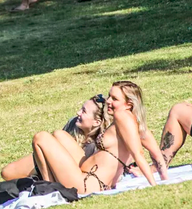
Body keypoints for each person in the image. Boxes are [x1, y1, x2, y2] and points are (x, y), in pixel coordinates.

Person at [32, 81, 168, 193]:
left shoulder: (122, 116)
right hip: (92, 179)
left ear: (129, 104)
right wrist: (164, 178)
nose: (108, 101)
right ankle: (51, 184)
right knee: (59, 134)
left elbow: (139, 154)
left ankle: (49, 187)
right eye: (109, 96)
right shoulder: (136, 123)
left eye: (114, 99)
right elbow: (157, 155)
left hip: (87, 184)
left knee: (41, 137)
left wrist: (153, 186)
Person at [1, 95, 111, 180]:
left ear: (97, 122)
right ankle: (43, 177)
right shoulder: (73, 124)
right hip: (51, 163)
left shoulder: (100, 142)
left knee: (57, 135)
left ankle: (48, 182)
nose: (78, 113)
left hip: (74, 173)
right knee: (7, 172)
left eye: (84, 111)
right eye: (81, 109)